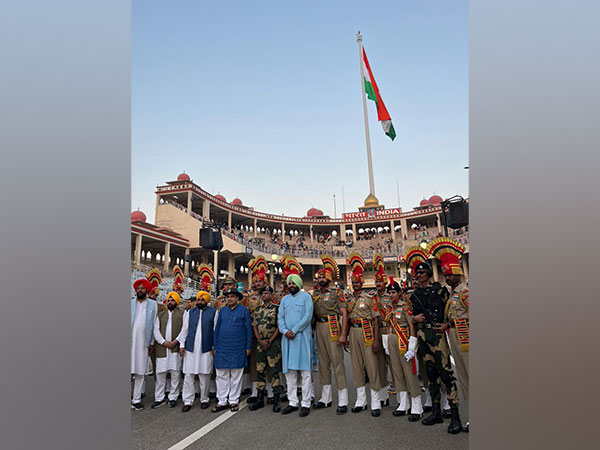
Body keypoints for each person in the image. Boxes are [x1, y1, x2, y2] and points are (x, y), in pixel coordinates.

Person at [405, 245, 463, 434]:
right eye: (417, 272)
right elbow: (411, 316)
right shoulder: (415, 295)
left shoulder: (440, 291)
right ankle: (436, 411)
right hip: (423, 336)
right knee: (430, 375)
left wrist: (447, 324)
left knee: (446, 374)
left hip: (437, 335)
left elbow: (450, 310)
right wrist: (415, 319)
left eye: (422, 272)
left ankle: (455, 416)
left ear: (429, 274)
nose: (419, 275)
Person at [428, 237, 470, 432]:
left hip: (467, 337)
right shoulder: (452, 293)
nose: (446, 278)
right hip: (455, 336)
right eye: (445, 274)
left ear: (457, 273)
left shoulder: (465, 292)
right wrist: (447, 325)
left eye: (449, 275)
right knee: (464, 377)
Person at [311, 255, 349, 414]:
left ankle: (343, 399)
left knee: (337, 363)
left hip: (333, 325)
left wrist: (343, 335)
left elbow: (344, 313)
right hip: (319, 327)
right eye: (319, 277)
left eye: (323, 277)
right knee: (323, 363)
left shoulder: (336, 292)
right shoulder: (315, 294)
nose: (320, 279)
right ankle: (325, 398)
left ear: (329, 278)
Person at [345, 253, 382, 417]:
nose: (355, 284)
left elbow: (375, 320)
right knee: (356, 365)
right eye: (353, 282)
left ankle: (375, 401)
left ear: (362, 283)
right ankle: (361, 400)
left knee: (371, 366)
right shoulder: (349, 299)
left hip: (367, 331)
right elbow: (346, 318)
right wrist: (345, 336)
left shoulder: (370, 298)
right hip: (353, 331)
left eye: (357, 282)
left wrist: (376, 340)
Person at [382, 279, 423, 421]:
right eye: (390, 293)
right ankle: (403, 404)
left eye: (394, 292)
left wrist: (412, 347)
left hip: (404, 340)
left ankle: (417, 406)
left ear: (399, 293)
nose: (391, 295)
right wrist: (386, 343)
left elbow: (412, 326)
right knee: (397, 373)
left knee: (409, 373)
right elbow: (387, 325)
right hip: (392, 339)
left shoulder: (405, 306)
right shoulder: (388, 307)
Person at [278, 274, 314, 417]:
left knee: (305, 372)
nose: (291, 285)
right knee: (290, 373)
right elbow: (280, 317)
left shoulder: (306, 298)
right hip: (287, 339)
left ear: (299, 284)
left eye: (294, 283)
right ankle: (292, 402)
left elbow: (307, 317)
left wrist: (294, 330)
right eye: (290, 283)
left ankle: (306, 403)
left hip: (301, 338)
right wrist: (285, 331)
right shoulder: (284, 300)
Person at [212, 288, 253, 413]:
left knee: (236, 375)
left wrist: (248, 346)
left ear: (238, 298)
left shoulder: (244, 310)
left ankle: (234, 400)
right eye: (228, 296)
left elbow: (248, 330)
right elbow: (216, 330)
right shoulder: (222, 311)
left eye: (232, 296)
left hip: (238, 347)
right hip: (222, 347)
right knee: (221, 375)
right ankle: (222, 400)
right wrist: (214, 346)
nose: (229, 299)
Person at [178, 290, 218, 412]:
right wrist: (181, 345)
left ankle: (204, 399)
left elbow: (215, 331)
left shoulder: (214, 312)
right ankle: (188, 400)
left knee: (204, 374)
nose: (199, 302)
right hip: (190, 348)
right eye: (198, 300)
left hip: (206, 348)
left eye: (202, 300)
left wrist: (214, 347)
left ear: (206, 301)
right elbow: (184, 330)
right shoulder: (189, 312)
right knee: (188, 375)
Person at [249, 286, 282, 412]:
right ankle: (259, 399)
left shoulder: (276, 309)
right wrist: (260, 340)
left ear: (272, 295)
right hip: (260, 344)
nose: (264, 295)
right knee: (260, 370)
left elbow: (279, 327)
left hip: (273, 343)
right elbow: (255, 327)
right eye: (262, 293)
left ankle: (276, 399)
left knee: (274, 371)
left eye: (267, 293)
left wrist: (269, 340)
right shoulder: (258, 310)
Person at [151, 291, 184, 409]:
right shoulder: (160, 315)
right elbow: (156, 331)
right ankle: (159, 398)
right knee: (160, 374)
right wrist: (163, 342)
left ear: (177, 302)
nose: (170, 302)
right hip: (162, 348)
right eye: (169, 300)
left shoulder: (182, 314)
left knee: (175, 374)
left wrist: (176, 342)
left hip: (175, 348)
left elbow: (184, 330)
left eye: (172, 300)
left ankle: (173, 397)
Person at [131, 278, 158, 410]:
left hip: (143, 343)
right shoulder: (130, 303)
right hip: (130, 342)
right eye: (138, 288)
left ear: (147, 290)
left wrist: (151, 343)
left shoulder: (153, 304)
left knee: (140, 372)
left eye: (142, 288)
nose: (140, 290)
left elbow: (154, 325)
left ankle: (136, 399)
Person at [371, 253, 391, 408]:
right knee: (380, 365)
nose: (378, 284)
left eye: (380, 281)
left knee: (395, 364)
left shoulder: (391, 297)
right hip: (378, 332)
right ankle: (384, 396)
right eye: (376, 281)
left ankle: (403, 397)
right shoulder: (372, 298)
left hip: (391, 331)